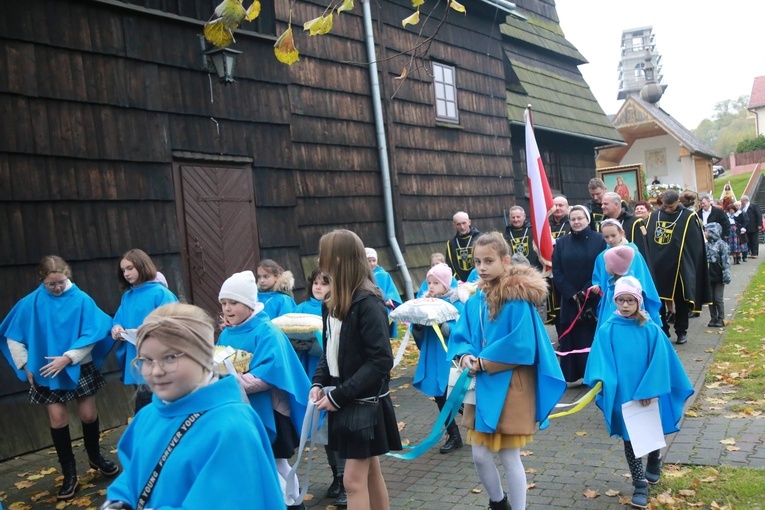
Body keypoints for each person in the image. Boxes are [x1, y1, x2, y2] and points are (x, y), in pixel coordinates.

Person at [100, 303, 283, 509]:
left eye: (169, 357)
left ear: (204, 356)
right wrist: (118, 500)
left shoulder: (231, 427)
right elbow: (135, 471)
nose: (156, 371)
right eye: (147, 360)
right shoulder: (149, 415)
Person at [448, 232, 566, 510]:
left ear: (504, 260)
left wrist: (484, 363)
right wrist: (465, 355)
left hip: (511, 386)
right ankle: (498, 502)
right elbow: (462, 334)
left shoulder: (516, 301)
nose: (481, 267)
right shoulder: (476, 300)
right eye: (477, 261)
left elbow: (521, 345)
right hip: (482, 385)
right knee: (479, 455)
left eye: (488, 261)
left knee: (510, 456)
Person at [0, 256, 118, 500]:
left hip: (77, 366)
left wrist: (68, 357)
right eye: (51, 284)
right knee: (58, 419)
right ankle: (69, 472)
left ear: (68, 277)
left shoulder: (82, 299)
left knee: (88, 415)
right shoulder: (30, 303)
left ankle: (95, 457)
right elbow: (13, 336)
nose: (57, 288)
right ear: (42, 279)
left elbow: (94, 333)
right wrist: (24, 365)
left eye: (61, 282)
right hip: (46, 371)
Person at [311, 230, 402, 510]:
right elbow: (330, 352)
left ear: (338, 259)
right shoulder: (331, 302)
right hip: (346, 400)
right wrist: (318, 382)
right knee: (370, 472)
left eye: (323, 254)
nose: (319, 259)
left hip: (364, 404)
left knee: (352, 481)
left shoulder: (368, 302)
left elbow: (380, 360)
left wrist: (339, 395)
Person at [584, 277, 693, 508]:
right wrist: (603, 380)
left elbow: (661, 360)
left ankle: (654, 459)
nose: (624, 305)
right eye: (621, 300)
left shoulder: (650, 328)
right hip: (624, 394)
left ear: (638, 302)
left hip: (647, 393)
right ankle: (639, 484)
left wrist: (649, 389)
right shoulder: (608, 329)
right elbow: (600, 358)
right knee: (630, 438)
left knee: (649, 432)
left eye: (629, 300)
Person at [217, 270, 310, 510]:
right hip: (242, 410)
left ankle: (293, 503)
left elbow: (272, 370)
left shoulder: (267, 330)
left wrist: (236, 381)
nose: (227, 309)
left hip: (271, 411)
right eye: (224, 303)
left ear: (249, 304)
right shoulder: (227, 331)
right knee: (257, 462)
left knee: (278, 462)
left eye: (233, 303)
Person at [293, 268, 348, 506]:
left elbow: (332, 345)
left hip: (333, 378)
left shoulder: (337, 309)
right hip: (311, 377)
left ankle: (346, 479)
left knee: (336, 429)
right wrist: (297, 344)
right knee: (321, 431)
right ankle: (336, 475)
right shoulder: (300, 310)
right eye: (315, 283)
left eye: (324, 283)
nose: (318, 287)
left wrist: (313, 346)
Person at [111, 249, 178, 413]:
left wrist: (145, 330)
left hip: (156, 359)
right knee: (144, 402)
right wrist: (117, 328)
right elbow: (119, 317)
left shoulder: (161, 293)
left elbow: (173, 323)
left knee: (148, 406)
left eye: (130, 268)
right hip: (135, 357)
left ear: (142, 266)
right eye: (123, 270)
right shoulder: (127, 296)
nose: (126, 273)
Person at [645, 190, 712, 345]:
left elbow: (695, 245)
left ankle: (682, 331)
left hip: (679, 268)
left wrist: (689, 265)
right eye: (665, 206)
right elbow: (648, 239)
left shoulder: (688, 217)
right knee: (658, 300)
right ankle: (663, 330)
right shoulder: (655, 216)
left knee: (681, 301)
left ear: (678, 202)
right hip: (658, 266)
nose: (667, 209)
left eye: (671, 207)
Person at [411, 263, 464, 454]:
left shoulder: (456, 303)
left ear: (446, 285)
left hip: (450, 356)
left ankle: (478, 423)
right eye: (429, 282)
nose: (431, 286)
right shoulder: (425, 304)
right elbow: (418, 333)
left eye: (435, 283)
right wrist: (418, 324)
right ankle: (454, 435)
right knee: (440, 395)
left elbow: (461, 329)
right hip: (433, 356)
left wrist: (442, 324)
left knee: (458, 394)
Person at [551, 206, 606, 384]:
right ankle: (574, 375)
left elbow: (602, 268)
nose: (576, 222)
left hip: (593, 297)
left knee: (590, 335)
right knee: (572, 337)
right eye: (573, 219)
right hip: (570, 299)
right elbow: (557, 271)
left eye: (580, 218)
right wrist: (571, 293)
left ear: (588, 220)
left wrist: (587, 289)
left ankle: (594, 374)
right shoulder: (561, 243)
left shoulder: (600, 240)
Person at [591, 222, 661, 327]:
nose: (610, 239)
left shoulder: (634, 254)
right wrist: (597, 284)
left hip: (631, 300)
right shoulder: (602, 256)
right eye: (606, 237)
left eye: (613, 235)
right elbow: (598, 275)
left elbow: (643, 278)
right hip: (610, 300)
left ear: (622, 233)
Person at [600, 192, 650, 262]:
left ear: (616, 204)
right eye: (602, 204)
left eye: (605, 204)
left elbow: (642, 250)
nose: (602, 206)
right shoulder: (603, 223)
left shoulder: (635, 223)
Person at [704, 223, 731, 328]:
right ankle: (713, 317)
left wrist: (726, 274)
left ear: (713, 232)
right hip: (709, 276)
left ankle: (721, 318)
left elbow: (726, 261)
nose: (705, 233)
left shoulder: (722, 245)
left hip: (719, 276)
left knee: (718, 298)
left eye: (706, 231)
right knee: (710, 298)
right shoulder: (706, 245)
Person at [503, 205, 542, 270]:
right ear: (510, 218)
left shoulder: (533, 230)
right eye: (513, 217)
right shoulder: (507, 233)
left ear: (524, 216)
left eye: (518, 217)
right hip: (515, 270)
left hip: (534, 268)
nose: (516, 220)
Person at [445, 211, 481, 282]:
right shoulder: (451, 244)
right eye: (458, 224)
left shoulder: (480, 238)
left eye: (464, 223)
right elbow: (450, 267)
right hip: (460, 284)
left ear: (469, 222)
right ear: (454, 225)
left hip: (480, 280)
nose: (462, 227)